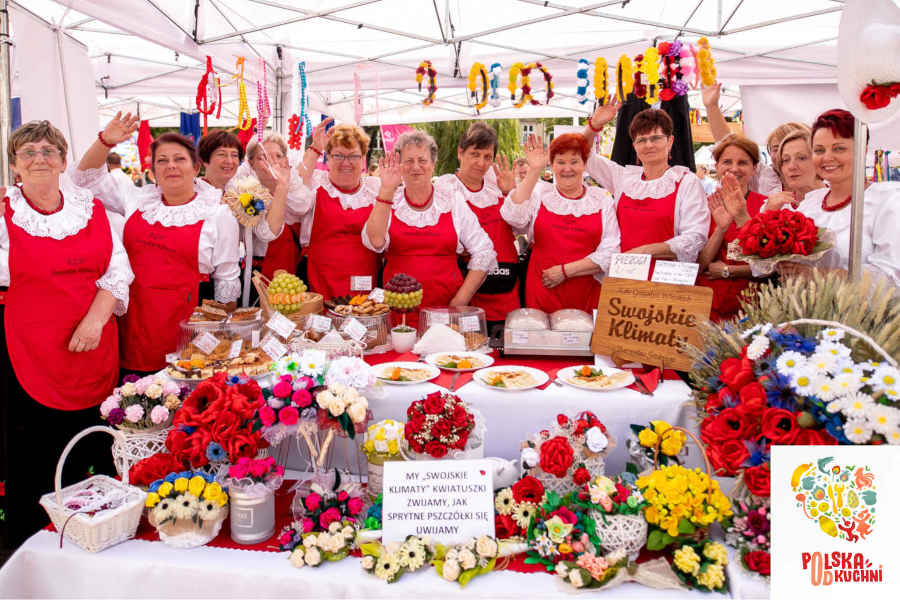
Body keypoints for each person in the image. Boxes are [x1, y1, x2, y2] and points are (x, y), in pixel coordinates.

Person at [0, 120, 132, 547]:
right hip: (30, 350)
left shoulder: (90, 207)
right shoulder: (5, 214)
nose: (39, 159)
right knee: (35, 452)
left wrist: (95, 320)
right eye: (28, 153)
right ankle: (33, 544)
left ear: (62, 161)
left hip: (94, 345)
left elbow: (117, 270)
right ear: (14, 166)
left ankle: (97, 532)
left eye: (48, 151)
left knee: (92, 441)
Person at [73, 113, 242, 374]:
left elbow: (227, 282)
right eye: (162, 161)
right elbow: (85, 179)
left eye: (179, 159)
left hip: (189, 326)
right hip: (135, 322)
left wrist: (217, 339)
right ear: (152, 172)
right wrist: (104, 142)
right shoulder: (135, 200)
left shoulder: (218, 213)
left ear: (195, 168)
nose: (170, 166)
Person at [363, 130, 497, 328]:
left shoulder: (452, 200)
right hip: (399, 312)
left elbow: (484, 251)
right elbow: (375, 241)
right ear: (400, 166)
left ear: (433, 165)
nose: (416, 167)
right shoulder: (390, 200)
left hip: (447, 309)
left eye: (422, 160)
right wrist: (386, 189)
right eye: (408, 161)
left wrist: (459, 303)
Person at [502, 133, 620, 313]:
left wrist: (566, 271)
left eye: (574, 162)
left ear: (584, 165)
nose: (567, 168)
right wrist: (534, 170)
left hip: (587, 292)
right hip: (543, 290)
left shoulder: (601, 199)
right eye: (561, 162)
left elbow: (611, 250)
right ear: (552, 164)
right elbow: (513, 218)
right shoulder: (540, 193)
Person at [583, 102, 709, 270]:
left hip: (666, 278)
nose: (648, 145)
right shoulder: (624, 178)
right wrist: (594, 125)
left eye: (656, 138)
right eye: (641, 140)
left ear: (670, 141)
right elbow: (584, 156)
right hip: (624, 276)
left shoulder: (686, 181)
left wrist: (644, 251)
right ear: (634, 146)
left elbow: (695, 237)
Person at [792, 109, 899, 286]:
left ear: (862, 149)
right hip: (809, 310)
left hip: (867, 313)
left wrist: (818, 276)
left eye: (839, 148)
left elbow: (891, 276)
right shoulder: (810, 204)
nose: (827, 157)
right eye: (819, 150)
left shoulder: (887, 201)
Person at [435, 122, 519, 325]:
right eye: (475, 154)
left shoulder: (498, 187)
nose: (481, 163)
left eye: (487, 157)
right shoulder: (446, 188)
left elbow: (520, 226)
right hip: (467, 287)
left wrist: (511, 193)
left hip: (504, 287)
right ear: (460, 153)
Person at [297, 121, 380, 300]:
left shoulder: (375, 189)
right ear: (328, 158)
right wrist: (315, 148)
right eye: (338, 156)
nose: (346, 163)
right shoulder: (316, 184)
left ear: (363, 158)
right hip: (321, 279)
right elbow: (294, 188)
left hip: (365, 279)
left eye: (353, 156)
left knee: (363, 320)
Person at [696, 134, 769, 321]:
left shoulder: (766, 207)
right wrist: (721, 229)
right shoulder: (703, 205)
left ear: (754, 168)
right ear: (717, 166)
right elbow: (698, 265)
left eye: (742, 163)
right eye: (727, 162)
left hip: (750, 307)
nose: (734, 168)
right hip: (707, 306)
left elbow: (770, 265)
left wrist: (729, 271)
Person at [701, 81, 808, 195]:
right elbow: (728, 143)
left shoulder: (824, 182)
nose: (783, 155)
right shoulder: (764, 176)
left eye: (798, 154)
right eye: (776, 149)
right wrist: (712, 106)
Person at [235, 134, 309, 282]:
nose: (272, 162)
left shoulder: (294, 187)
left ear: (286, 161)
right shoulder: (244, 192)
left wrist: (283, 184)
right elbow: (266, 233)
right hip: (259, 272)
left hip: (293, 269)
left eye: (278, 156)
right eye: (264, 157)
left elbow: (303, 206)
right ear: (251, 163)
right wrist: (281, 188)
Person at [763, 129, 825, 212]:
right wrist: (766, 215)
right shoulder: (775, 205)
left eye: (802, 158)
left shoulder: (840, 203)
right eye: (786, 160)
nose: (791, 166)